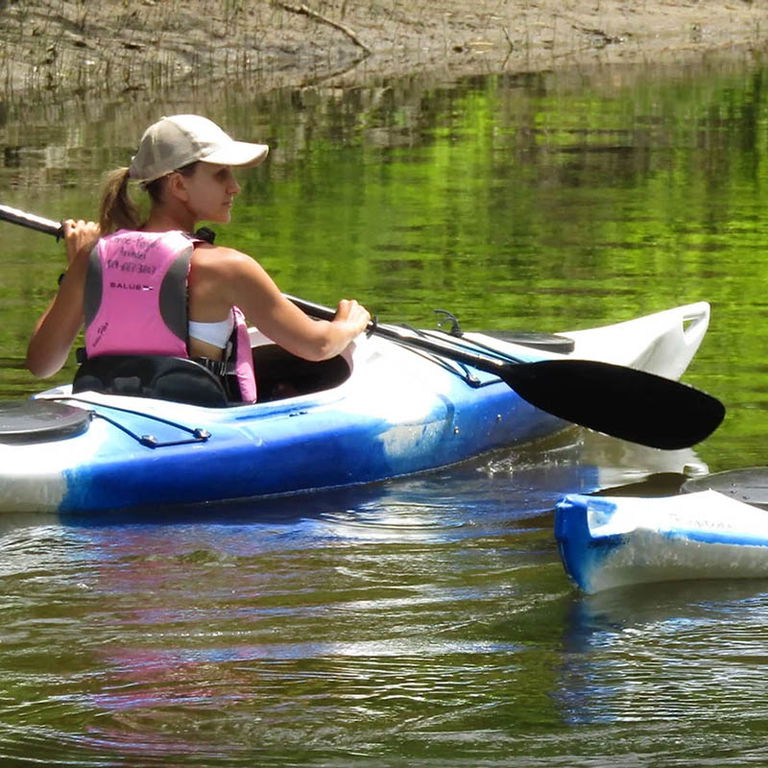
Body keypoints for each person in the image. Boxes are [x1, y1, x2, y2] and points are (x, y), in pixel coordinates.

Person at [26, 114, 370, 402]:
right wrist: (347, 324)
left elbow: (42, 364)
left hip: (119, 414)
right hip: (196, 427)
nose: (234, 187)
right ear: (178, 185)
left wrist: (76, 271)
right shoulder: (228, 267)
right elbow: (318, 346)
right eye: (220, 174)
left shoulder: (92, 257)